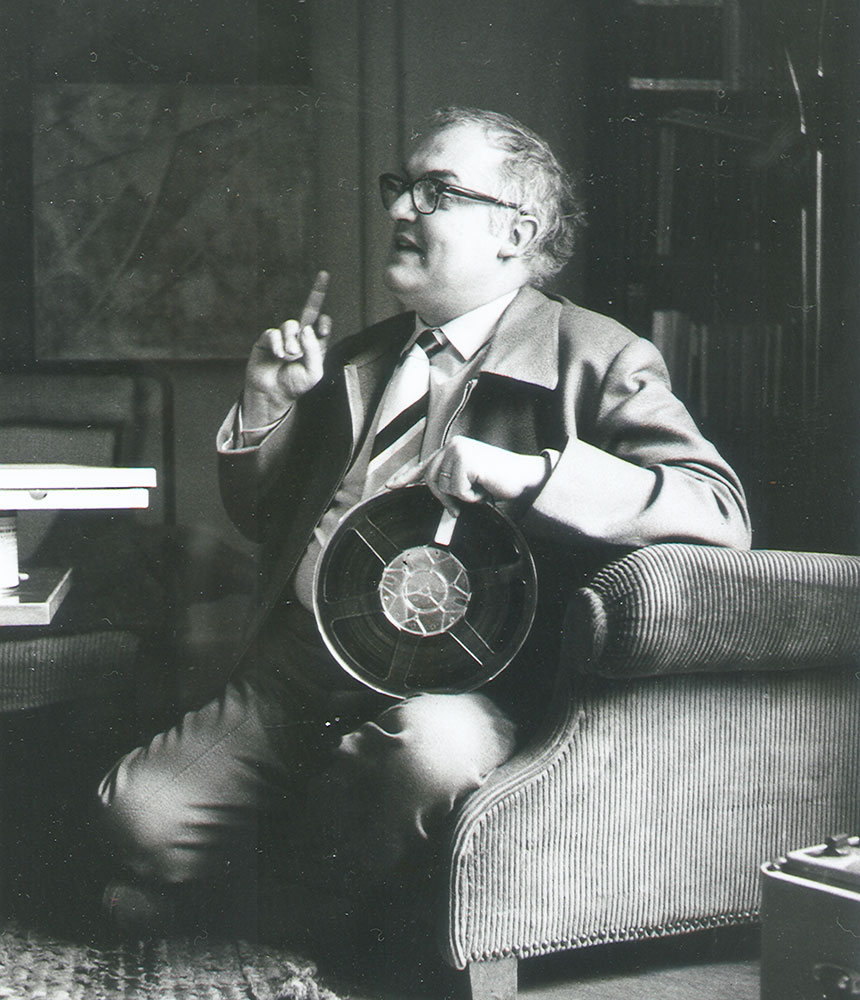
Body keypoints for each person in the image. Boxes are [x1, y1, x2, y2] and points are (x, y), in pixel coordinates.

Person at [97, 107, 751, 941]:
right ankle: (312, 879)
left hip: (453, 688)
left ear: (516, 232)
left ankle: (298, 904)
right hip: (299, 672)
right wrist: (265, 407)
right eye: (401, 187)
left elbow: (719, 510)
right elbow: (266, 520)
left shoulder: (601, 357)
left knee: (428, 756)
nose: (403, 208)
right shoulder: (357, 358)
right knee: (134, 820)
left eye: (437, 191)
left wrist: (532, 475)